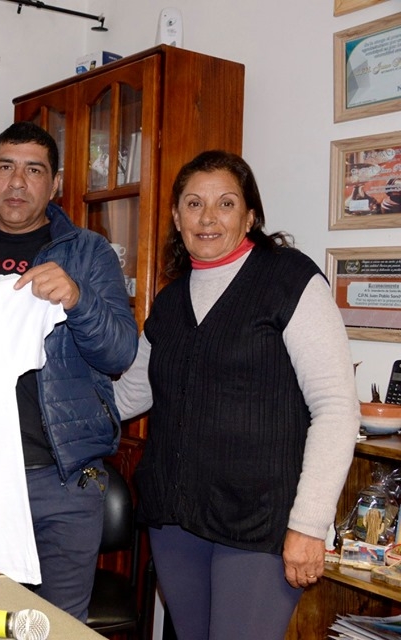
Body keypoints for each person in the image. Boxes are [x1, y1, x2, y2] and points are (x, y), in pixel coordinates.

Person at [113, 150, 360, 639]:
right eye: (194, 204)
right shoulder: (169, 301)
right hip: (175, 520)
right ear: (177, 218)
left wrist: (309, 525)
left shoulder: (290, 280)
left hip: (259, 525)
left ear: (249, 217)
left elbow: (336, 408)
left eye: (225, 203)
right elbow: (130, 396)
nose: (208, 217)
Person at [0, 121, 138, 620]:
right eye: (5, 167)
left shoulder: (89, 253)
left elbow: (120, 353)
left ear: (55, 183)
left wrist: (78, 300)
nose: (17, 182)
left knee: (56, 627)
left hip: (62, 482)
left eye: (34, 170)